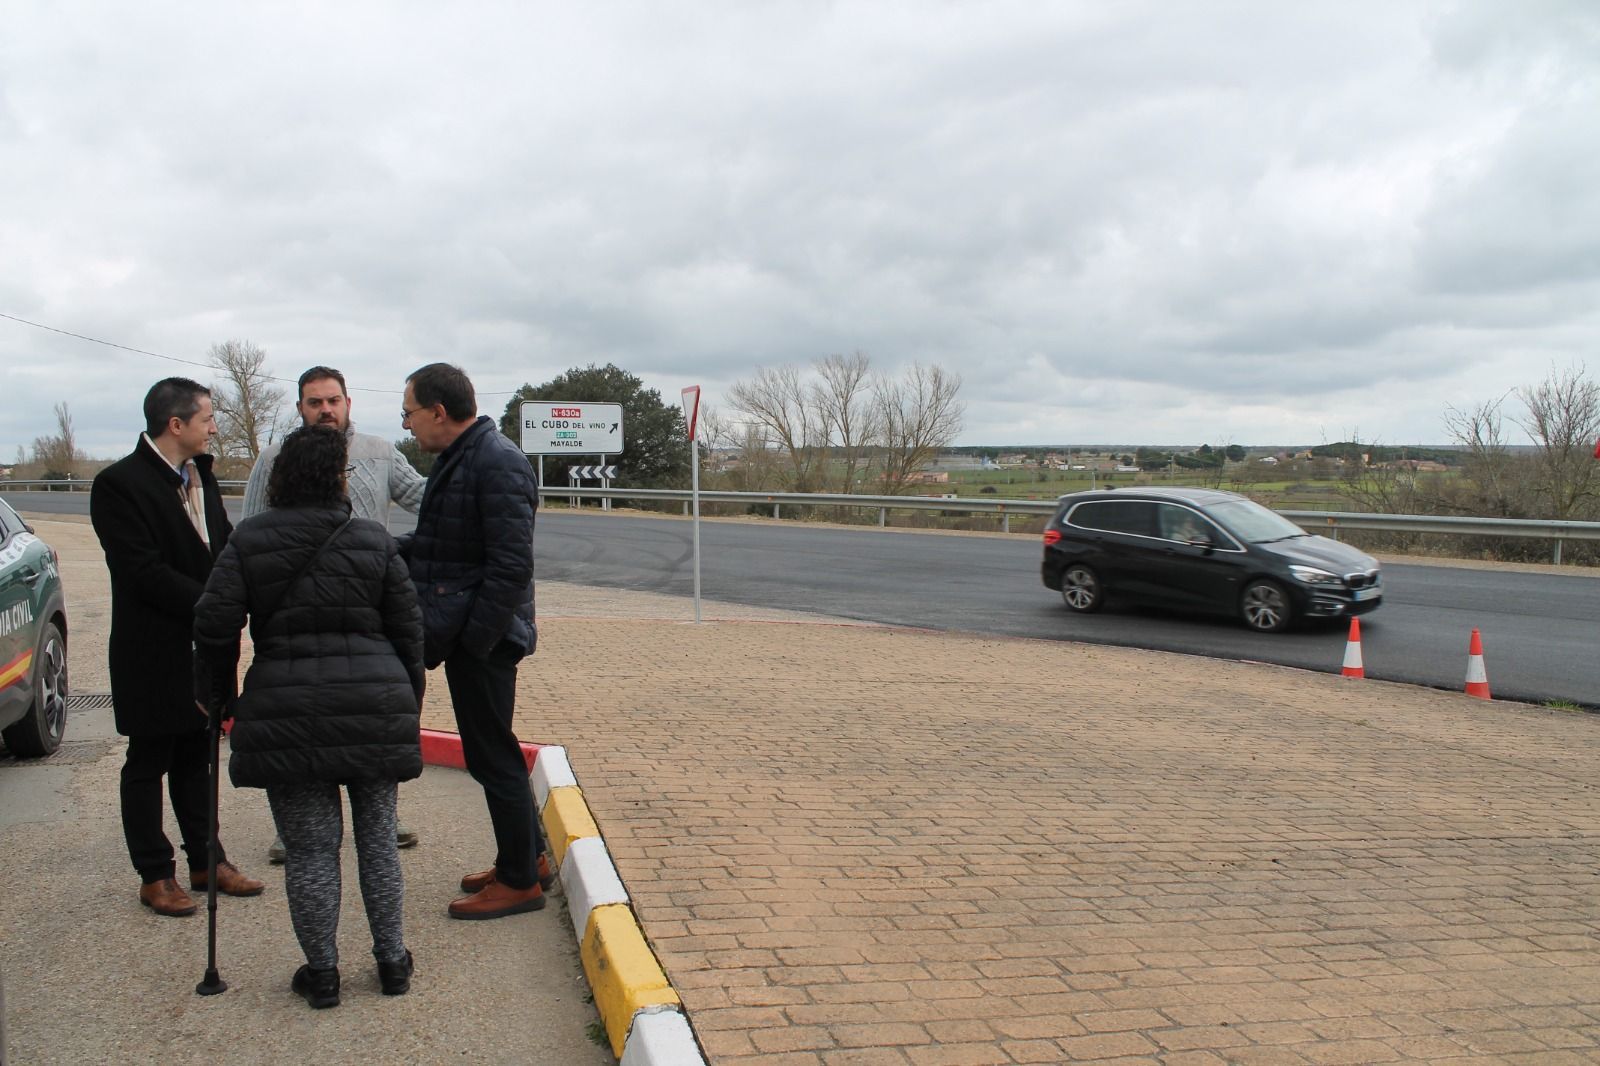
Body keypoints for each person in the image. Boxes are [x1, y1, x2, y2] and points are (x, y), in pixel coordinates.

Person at [194, 425, 425, 1008]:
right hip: (374, 705)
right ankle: (392, 962)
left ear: (281, 478)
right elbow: (409, 632)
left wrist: (218, 696)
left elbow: (213, 624)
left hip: (285, 709)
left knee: (311, 849)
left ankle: (322, 974)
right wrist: (405, 702)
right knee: (377, 839)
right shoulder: (373, 540)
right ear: (338, 479)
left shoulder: (249, 540)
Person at [89, 377, 265, 917]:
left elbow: (223, 547)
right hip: (152, 651)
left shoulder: (201, 477)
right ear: (176, 424)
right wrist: (215, 603)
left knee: (197, 755)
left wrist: (245, 588)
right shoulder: (119, 484)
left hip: (204, 648)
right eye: (209, 417)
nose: (215, 426)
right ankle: (155, 874)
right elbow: (143, 572)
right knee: (149, 759)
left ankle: (207, 861)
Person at [243, 365, 427, 863]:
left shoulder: (381, 452)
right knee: (297, 712)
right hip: (293, 612)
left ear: (349, 403)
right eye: (314, 402)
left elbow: (427, 500)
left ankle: (380, 815)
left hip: (369, 609)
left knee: (376, 714)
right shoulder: (274, 457)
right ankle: (295, 826)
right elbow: (251, 527)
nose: (325, 409)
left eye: (333, 401)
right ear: (300, 409)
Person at [399, 362, 553, 920]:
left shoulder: (496, 461)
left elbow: (512, 566)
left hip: (485, 637)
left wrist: (478, 640)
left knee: (493, 756)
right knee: (495, 750)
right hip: (472, 632)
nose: (408, 424)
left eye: (409, 412)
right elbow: (443, 542)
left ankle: (519, 883)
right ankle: (528, 857)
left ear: (439, 412)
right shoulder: (463, 457)